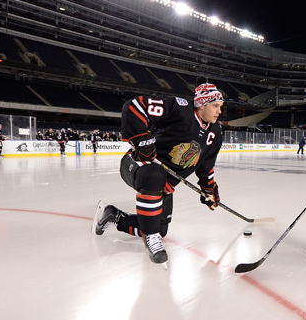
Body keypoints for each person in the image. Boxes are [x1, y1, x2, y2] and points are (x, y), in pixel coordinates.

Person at [92, 80, 224, 265]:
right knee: (155, 175)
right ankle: (151, 238)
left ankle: (114, 216)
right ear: (201, 105)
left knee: (160, 228)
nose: (219, 111)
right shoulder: (180, 108)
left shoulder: (215, 132)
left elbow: (206, 165)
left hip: (164, 182)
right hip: (138, 164)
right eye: (215, 106)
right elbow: (135, 106)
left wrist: (209, 189)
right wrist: (142, 139)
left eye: (220, 107)